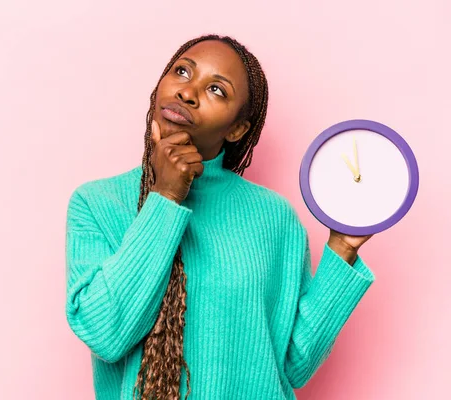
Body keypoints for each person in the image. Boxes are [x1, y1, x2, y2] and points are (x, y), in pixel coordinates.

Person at [64, 34, 375, 400]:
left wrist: (342, 249)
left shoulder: (275, 217)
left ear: (237, 129)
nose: (188, 92)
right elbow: (103, 333)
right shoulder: (96, 203)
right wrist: (165, 197)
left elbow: (292, 365)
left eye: (216, 89)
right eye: (182, 71)